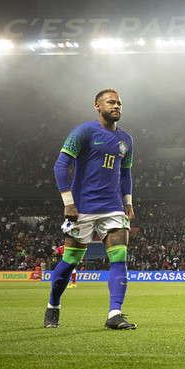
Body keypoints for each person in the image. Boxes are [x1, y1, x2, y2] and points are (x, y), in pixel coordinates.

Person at [44, 88, 136, 330]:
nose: (116, 106)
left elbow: (125, 173)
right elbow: (61, 165)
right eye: (111, 102)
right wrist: (68, 202)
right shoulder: (83, 132)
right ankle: (53, 305)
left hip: (113, 207)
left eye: (119, 103)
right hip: (82, 207)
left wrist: (127, 201)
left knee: (119, 258)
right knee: (70, 261)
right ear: (97, 106)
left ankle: (114, 314)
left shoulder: (126, 140)